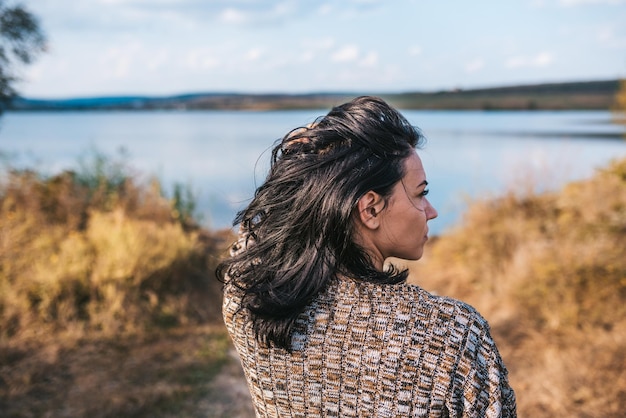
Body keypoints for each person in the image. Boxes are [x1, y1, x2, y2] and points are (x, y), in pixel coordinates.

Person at [218, 96, 516, 417]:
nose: (431, 211)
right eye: (421, 193)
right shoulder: (451, 338)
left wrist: (298, 163)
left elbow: (253, 241)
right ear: (371, 208)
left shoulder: (250, 298)